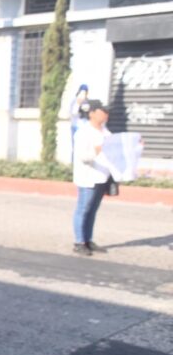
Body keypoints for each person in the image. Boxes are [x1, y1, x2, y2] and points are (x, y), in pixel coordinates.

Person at [72, 100, 113, 256]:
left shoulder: (105, 131)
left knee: (92, 210)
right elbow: (83, 157)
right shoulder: (84, 132)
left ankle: (88, 239)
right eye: (102, 111)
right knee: (83, 209)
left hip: (102, 177)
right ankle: (79, 242)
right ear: (92, 114)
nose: (106, 114)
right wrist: (97, 151)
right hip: (88, 178)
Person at [69, 84, 90, 165]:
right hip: (76, 126)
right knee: (75, 147)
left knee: (85, 147)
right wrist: (78, 103)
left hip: (85, 127)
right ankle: (73, 164)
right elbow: (73, 113)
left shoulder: (87, 101)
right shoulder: (74, 101)